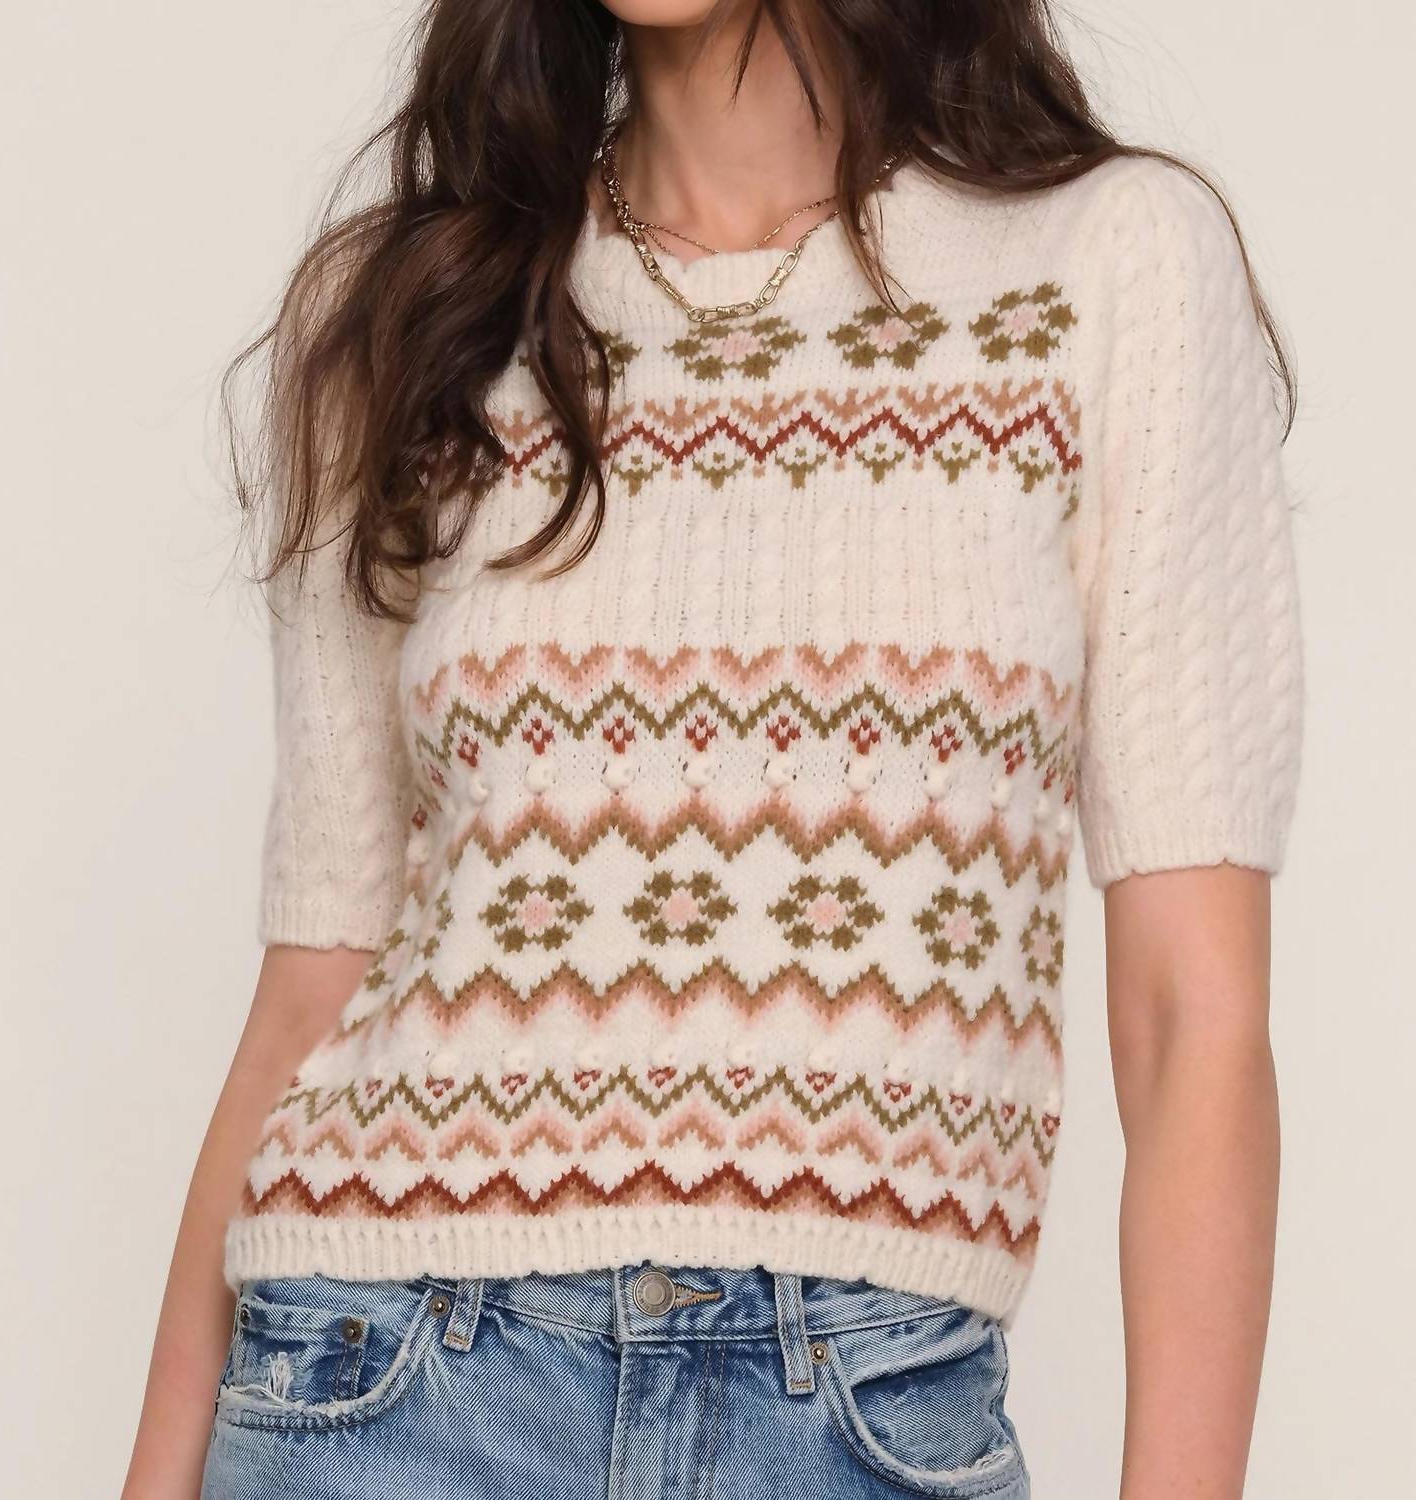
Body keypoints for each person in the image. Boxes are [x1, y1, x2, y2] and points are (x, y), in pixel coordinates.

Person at [123, 2, 1304, 1496]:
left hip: (861, 1405)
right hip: (387, 1383)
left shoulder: (1109, 263)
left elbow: (1193, 1016)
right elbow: (313, 977)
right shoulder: (410, 312)